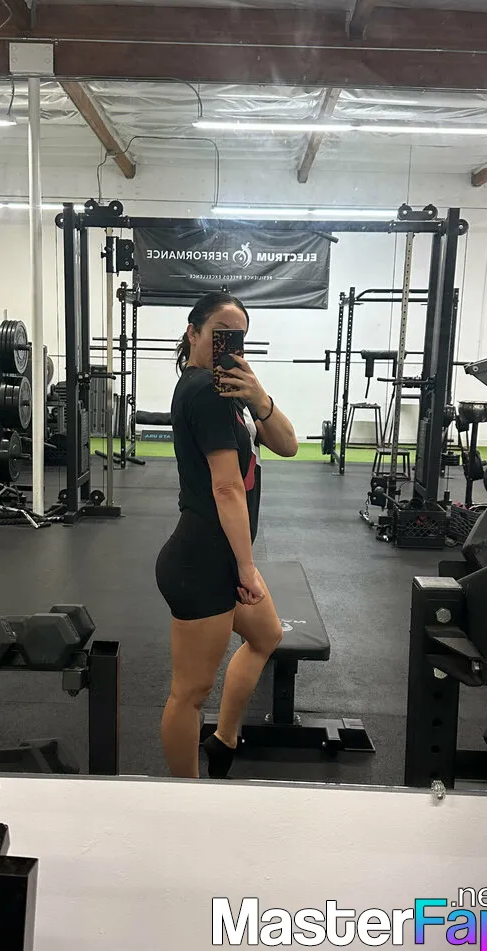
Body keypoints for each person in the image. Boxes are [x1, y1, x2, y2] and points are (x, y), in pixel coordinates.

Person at [155, 291, 298, 779]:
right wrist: (247, 568)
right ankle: (186, 798)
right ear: (193, 333)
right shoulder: (205, 391)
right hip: (202, 562)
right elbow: (227, 487)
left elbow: (288, 445)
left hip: (219, 557)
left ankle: (224, 739)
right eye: (219, 332)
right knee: (190, 693)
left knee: (266, 635)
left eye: (237, 336)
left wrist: (260, 398)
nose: (228, 343)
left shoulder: (231, 391)